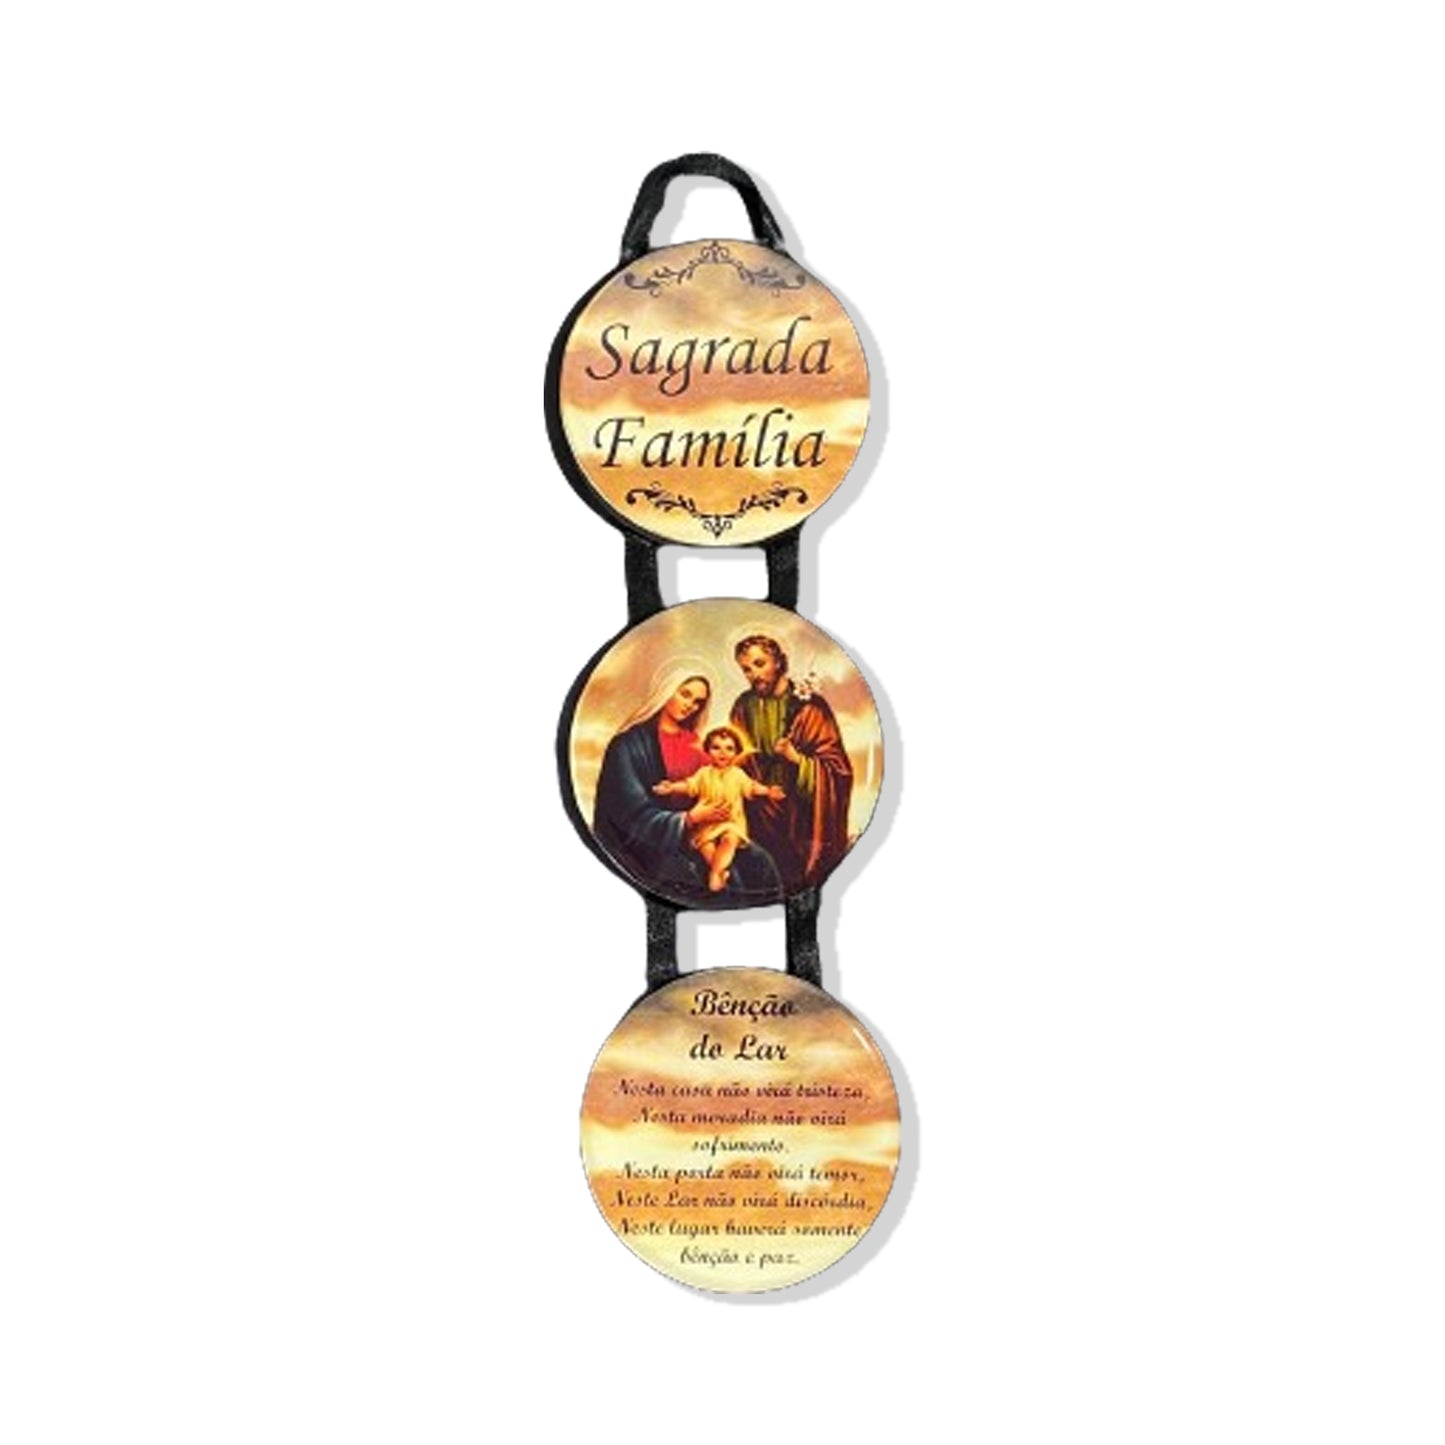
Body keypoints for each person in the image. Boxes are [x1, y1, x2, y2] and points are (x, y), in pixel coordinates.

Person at [591, 673, 782, 903]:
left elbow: (718, 781)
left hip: (709, 830)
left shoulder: (698, 744)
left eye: (698, 701)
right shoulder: (629, 745)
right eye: (685, 694)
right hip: (657, 841)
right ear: (666, 689)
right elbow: (626, 811)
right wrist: (688, 819)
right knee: (701, 878)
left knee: (760, 861)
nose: (690, 705)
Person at [729, 634, 853, 893]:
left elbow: (838, 770)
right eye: (746, 669)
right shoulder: (743, 706)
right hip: (756, 808)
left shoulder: (810, 707)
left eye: (759, 664)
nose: (754, 675)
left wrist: (796, 758)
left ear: (778, 662)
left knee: (793, 877)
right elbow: (734, 757)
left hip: (799, 812)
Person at [652, 725, 785, 892]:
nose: (723, 753)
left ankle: (715, 874)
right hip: (706, 825)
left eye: (729, 748)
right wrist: (671, 788)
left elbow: (751, 787)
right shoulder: (704, 773)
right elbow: (689, 785)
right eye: (716, 747)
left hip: (731, 823)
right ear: (708, 750)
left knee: (729, 840)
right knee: (706, 847)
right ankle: (721, 874)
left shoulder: (737, 774)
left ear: (736, 752)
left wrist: (768, 791)